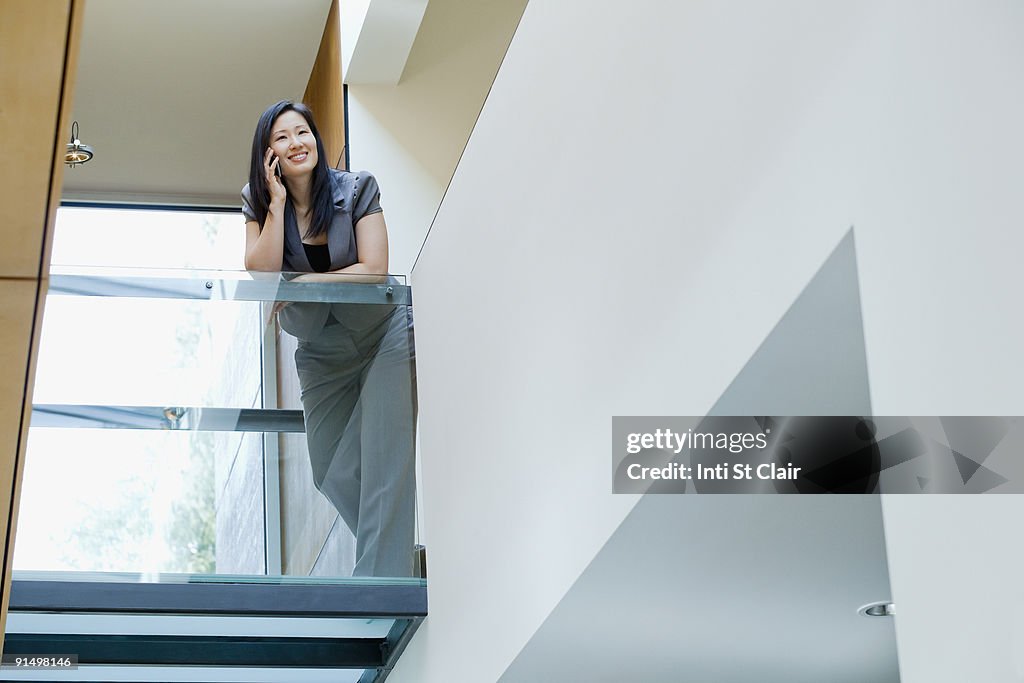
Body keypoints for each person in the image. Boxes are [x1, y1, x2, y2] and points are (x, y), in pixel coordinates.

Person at [241, 100, 416, 577]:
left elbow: (374, 269)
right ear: (268, 153)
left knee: (385, 460)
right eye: (282, 137)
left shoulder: (357, 187)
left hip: (383, 335)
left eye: (303, 132)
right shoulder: (258, 201)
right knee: (329, 470)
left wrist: (300, 285)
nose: (296, 143)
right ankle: (397, 559)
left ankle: (383, 583)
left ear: (316, 138)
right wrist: (276, 205)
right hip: (319, 350)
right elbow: (261, 273)